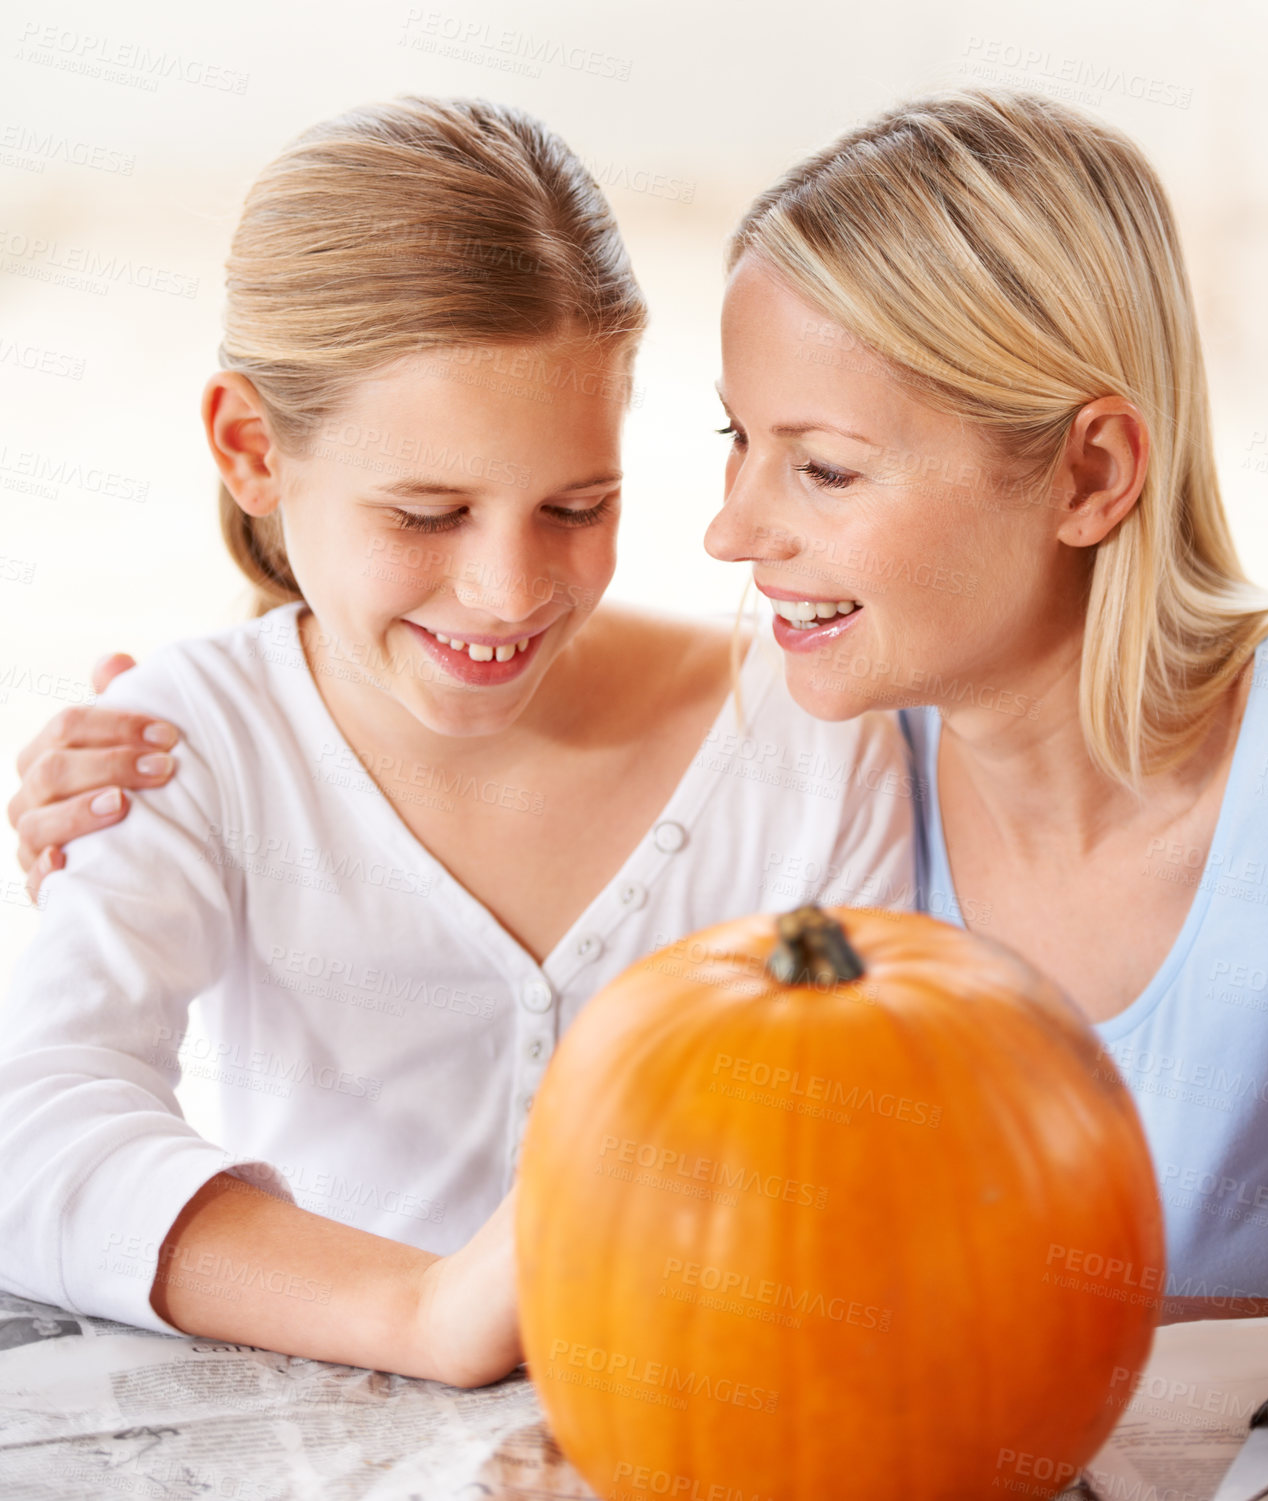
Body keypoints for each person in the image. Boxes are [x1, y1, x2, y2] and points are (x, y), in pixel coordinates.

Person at [0, 95, 913, 1387]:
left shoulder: (807, 741)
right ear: (250, 448)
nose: (509, 590)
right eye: (427, 513)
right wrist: (425, 1311)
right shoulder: (183, 748)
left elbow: (889, 1160)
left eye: (575, 505)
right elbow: (32, 1133)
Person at [702, 87, 1268, 1304]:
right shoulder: (833, 791)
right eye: (730, 438)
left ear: (1087, 474)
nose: (730, 529)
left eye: (823, 468)